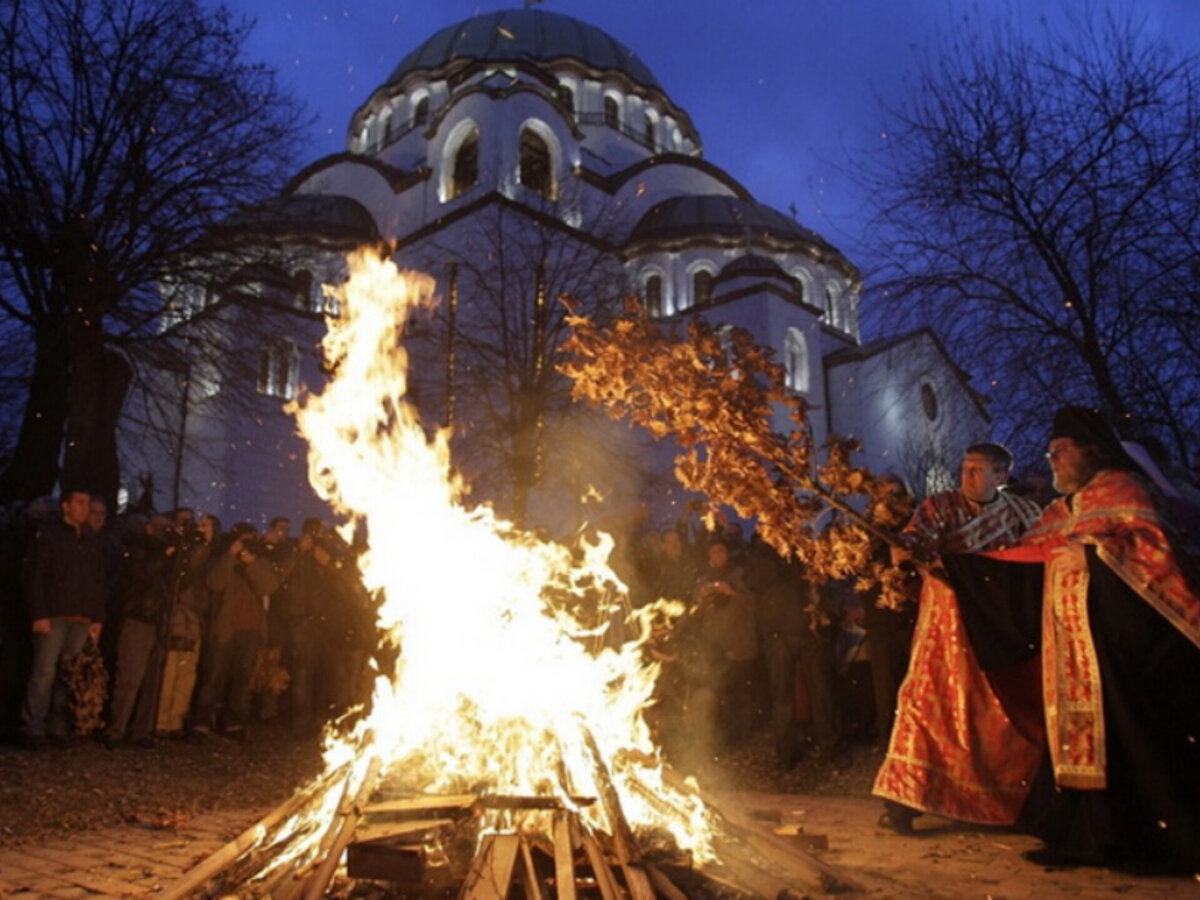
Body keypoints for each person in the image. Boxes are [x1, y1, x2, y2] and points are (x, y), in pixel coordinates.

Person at [944, 407, 1200, 872]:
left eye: (1060, 452)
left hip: (1119, 651)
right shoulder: (1060, 510)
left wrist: (1097, 555)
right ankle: (1078, 836)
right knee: (1070, 741)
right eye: (1050, 453)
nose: (1053, 461)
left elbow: (1158, 551)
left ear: (1091, 451)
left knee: (1126, 741)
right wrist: (958, 571)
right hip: (1069, 656)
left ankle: (1132, 838)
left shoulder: (1125, 489)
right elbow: (1021, 560)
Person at [873, 443, 1042, 832]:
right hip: (947, 627)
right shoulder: (939, 507)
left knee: (998, 713)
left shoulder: (1023, 513)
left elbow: (1038, 557)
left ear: (1001, 478)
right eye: (965, 468)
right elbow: (917, 539)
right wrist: (909, 548)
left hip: (998, 628)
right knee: (927, 705)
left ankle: (1008, 801)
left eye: (978, 470)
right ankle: (903, 802)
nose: (967, 476)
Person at [19, 488, 109, 746]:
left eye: (87, 503)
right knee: (44, 672)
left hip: (80, 617)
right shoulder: (49, 536)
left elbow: (98, 582)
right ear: (66, 506)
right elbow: (35, 576)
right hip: (55, 614)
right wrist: (39, 613)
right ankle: (33, 726)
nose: (85, 508)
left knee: (68, 674)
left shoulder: (92, 541)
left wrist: (96, 618)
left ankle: (58, 725)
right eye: (80, 502)